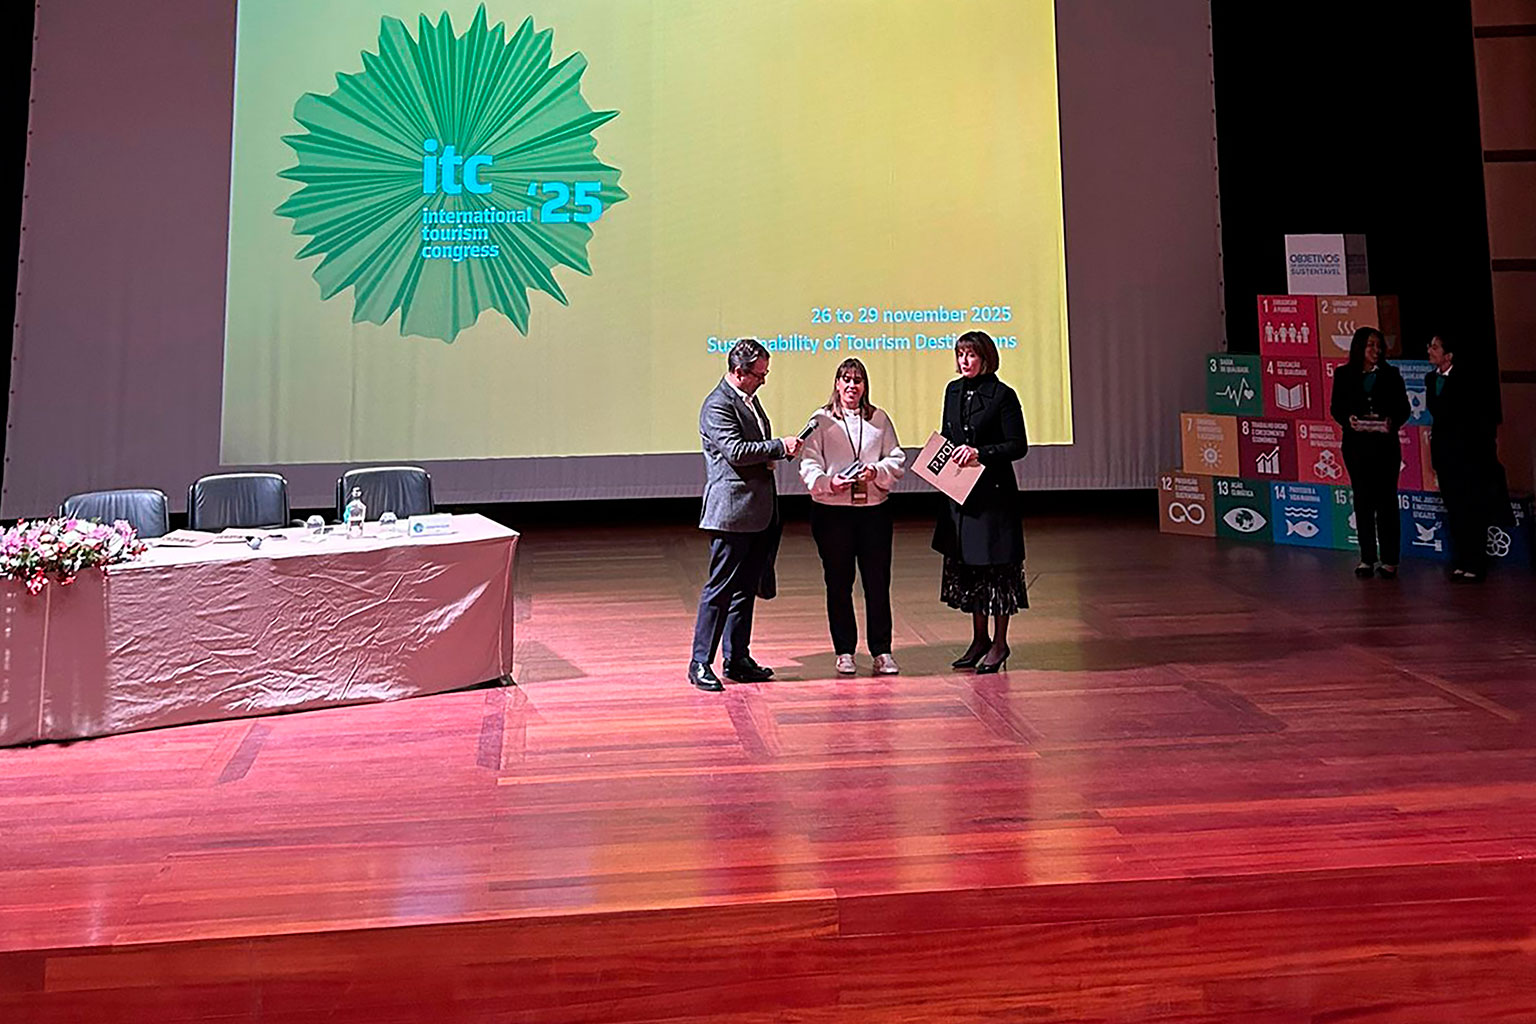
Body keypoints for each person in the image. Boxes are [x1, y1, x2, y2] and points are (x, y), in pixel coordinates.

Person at [688, 338, 804, 691]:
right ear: (739, 371)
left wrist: (772, 453)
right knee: (720, 589)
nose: (763, 380)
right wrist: (778, 447)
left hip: (758, 511)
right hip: (732, 513)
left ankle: (737, 658)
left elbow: (751, 450)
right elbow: (736, 451)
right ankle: (700, 662)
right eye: (759, 374)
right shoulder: (717, 404)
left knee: (744, 590)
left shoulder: (748, 399)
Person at [799, 358, 907, 676]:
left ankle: (882, 651)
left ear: (864, 386)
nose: (851, 385)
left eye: (857, 380)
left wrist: (876, 471)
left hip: (874, 512)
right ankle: (844, 650)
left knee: (877, 583)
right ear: (837, 384)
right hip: (832, 513)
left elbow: (896, 458)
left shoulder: (879, 418)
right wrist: (829, 482)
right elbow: (808, 462)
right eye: (845, 379)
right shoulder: (821, 419)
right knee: (838, 582)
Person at [932, 331, 1029, 674]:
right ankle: (979, 639)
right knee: (971, 569)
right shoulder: (953, 390)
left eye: (971, 355)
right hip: (962, 495)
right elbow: (948, 436)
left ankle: (1000, 643)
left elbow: (1018, 445)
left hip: (994, 498)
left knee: (997, 571)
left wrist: (980, 453)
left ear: (986, 358)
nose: (964, 361)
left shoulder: (1003, 395)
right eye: (960, 354)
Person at [1329, 327, 1411, 579]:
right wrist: (1348, 419)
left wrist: (1391, 421)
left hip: (1385, 447)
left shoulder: (1391, 375)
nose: (1376, 350)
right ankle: (1367, 557)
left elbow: (1403, 409)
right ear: (1359, 348)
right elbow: (1336, 407)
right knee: (1363, 501)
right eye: (1370, 345)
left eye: (1378, 345)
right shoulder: (1343, 374)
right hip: (1357, 447)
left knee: (1386, 501)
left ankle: (1390, 560)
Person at [1426, 333, 1502, 582]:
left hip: (1466, 455)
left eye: (1435, 347)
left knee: (1471, 508)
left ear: (1449, 355)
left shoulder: (1467, 380)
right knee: (1454, 509)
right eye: (1430, 346)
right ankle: (1461, 560)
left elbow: (1474, 418)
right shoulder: (1430, 379)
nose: (1430, 350)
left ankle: (1476, 563)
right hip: (1444, 453)